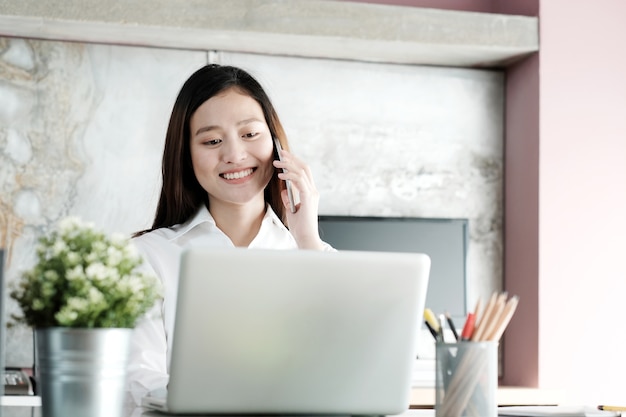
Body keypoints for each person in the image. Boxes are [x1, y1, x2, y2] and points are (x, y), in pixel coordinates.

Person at [126, 64, 334, 404]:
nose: (235, 155)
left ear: (277, 146)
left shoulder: (311, 254)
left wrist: (308, 240)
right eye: (211, 141)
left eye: (250, 134)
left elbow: (351, 364)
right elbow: (139, 382)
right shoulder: (148, 257)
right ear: (186, 156)